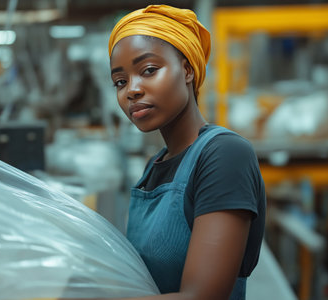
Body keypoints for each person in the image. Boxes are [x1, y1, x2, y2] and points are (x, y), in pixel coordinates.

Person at [75, 4, 266, 300]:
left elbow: (202, 296)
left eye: (148, 70)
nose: (131, 91)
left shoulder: (224, 154)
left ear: (187, 70)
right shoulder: (156, 166)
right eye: (120, 82)